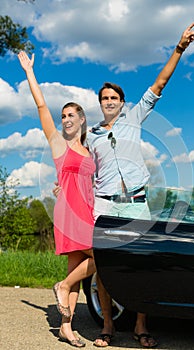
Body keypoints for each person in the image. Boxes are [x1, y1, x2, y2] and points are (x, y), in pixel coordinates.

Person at [54, 22, 194, 348]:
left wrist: (180, 47)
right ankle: (107, 326)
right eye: (104, 98)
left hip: (136, 202)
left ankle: (141, 327)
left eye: (114, 97)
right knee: (106, 267)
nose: (108, 101)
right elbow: (78, 168)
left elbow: (160, 82)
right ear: (100, 103)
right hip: (105, 204)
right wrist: (61, 186)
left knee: (139, 266)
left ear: (122, 101)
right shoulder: (92, 137)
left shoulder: (136, 117)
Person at [18, 51, 96, 348]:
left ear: (82, 120)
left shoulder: (89, 151)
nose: (65, 120)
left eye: (70, 115)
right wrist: (29, 72)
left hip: (88, 212)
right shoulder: (58, 145)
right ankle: (61, 287)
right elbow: (40, 106)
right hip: (69, 213)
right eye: (63, 116)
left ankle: (66, 327)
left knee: (76, 272)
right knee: (100, 256)